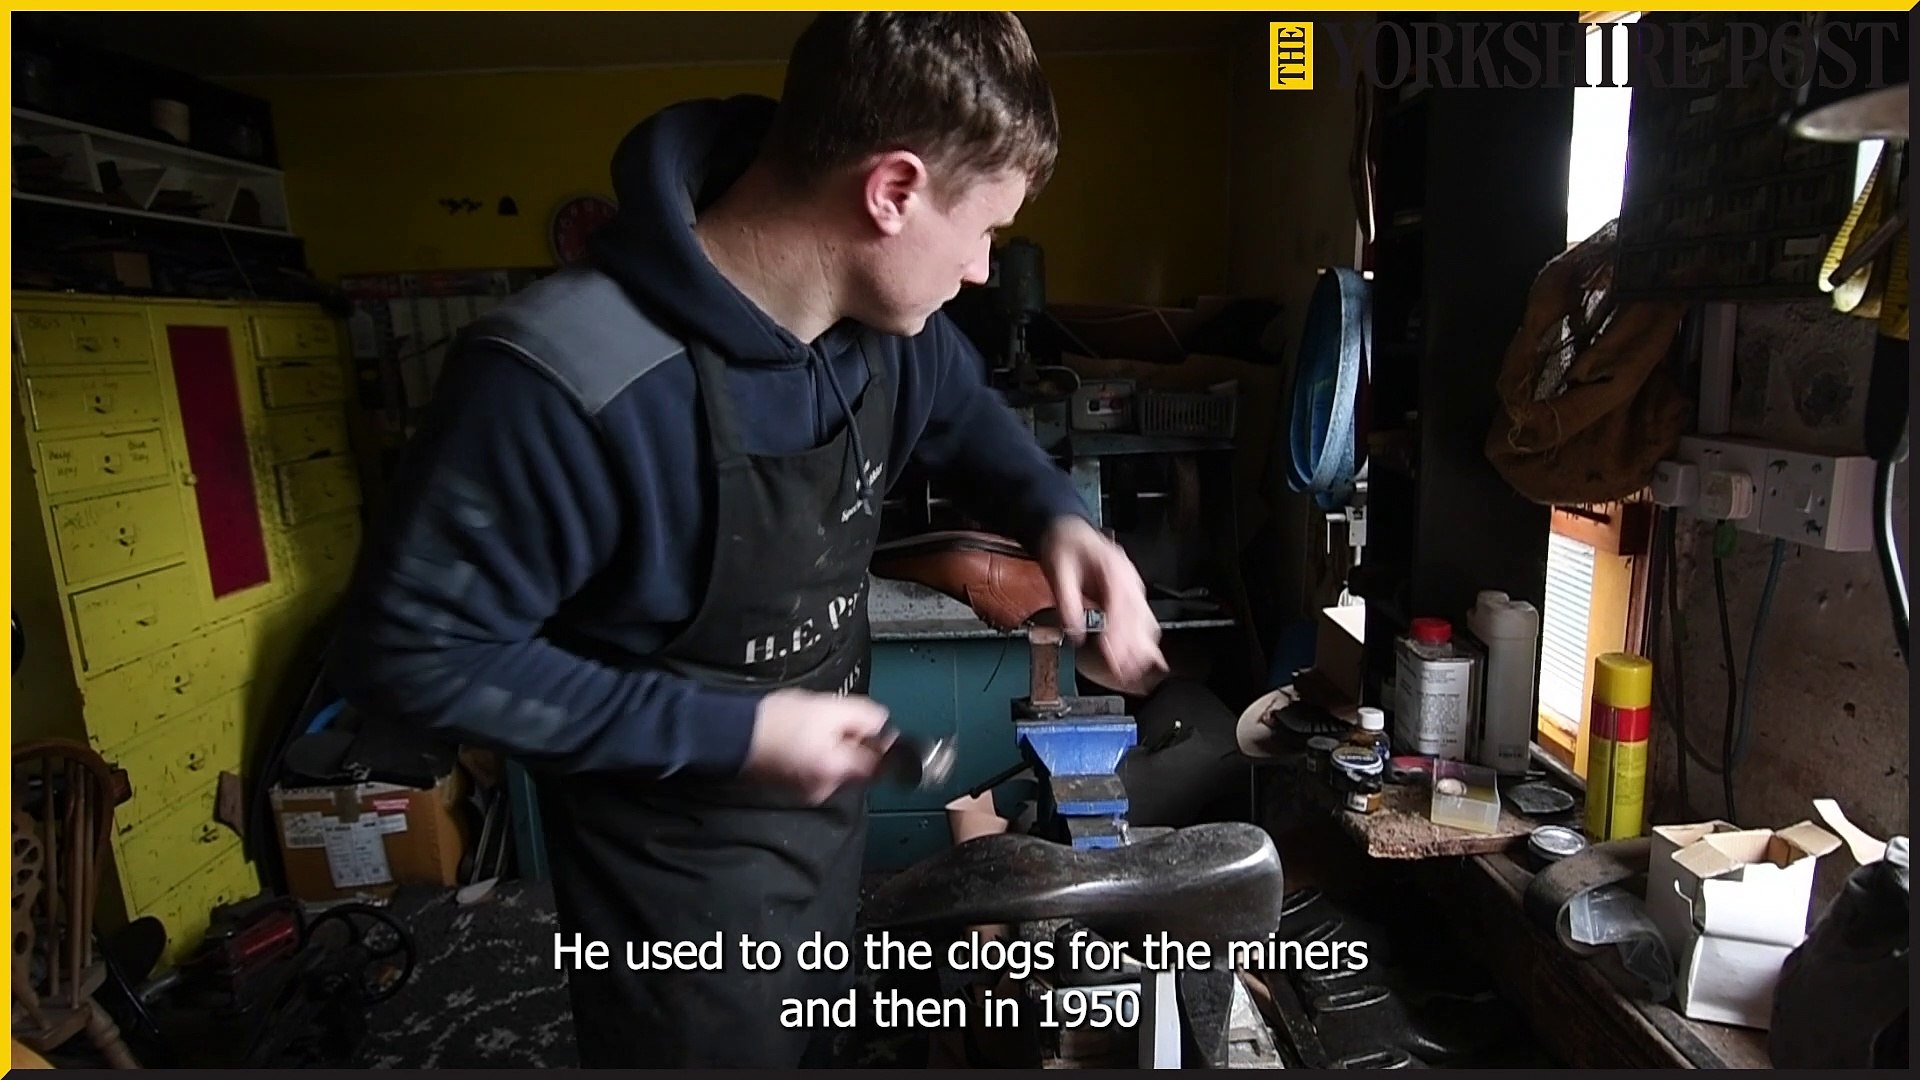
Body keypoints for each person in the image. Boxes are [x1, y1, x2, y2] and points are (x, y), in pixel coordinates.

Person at [327, 10, 1165, 1069]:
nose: (984, 269)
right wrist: (736, 732)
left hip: (819, 836)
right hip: (668, 890)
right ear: (892, 191)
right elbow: (412, 654)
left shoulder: (885, 327)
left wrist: (1059, 517)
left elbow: (963, 409)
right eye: (985, 229)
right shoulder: (563, 380)